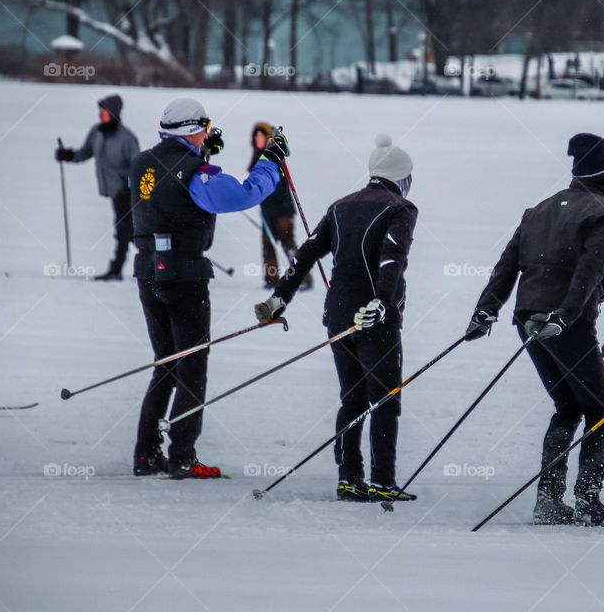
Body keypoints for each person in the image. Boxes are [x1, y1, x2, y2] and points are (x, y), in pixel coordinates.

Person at [466, 133, 604, 527]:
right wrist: (566, 315)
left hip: (527, 319)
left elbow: (507, 265)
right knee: (600, 412)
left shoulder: (539, 209)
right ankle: (587, 501)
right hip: (562, 324)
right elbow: (589, 270)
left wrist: (485, 311)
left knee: (567, 407)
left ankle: (549, 501)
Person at [254, 134, 418, 503]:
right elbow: (394, 258)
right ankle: (382, 482)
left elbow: (306, 253)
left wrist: (280, 297)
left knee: (353, 398)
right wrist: (380, 301)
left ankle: (349, 478)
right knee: (384, 399)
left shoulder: (341, 205)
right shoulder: (400, 209)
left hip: (338, 315)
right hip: (374, 317)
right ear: (404, 177)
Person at [129, 98, 285, 479]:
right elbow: (244, 194)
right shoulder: (197, 174)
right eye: (205, 127)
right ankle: (182, 456)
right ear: (192, 129)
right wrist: (271, 162)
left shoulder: (141, 162)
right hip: (184, 277)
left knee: (165, 364)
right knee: (192, 365)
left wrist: (202, 153)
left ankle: (146, 455)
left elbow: (168, 179)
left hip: (147, 272)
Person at [55, 94, 139, 280]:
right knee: (128, 231)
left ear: (115, 114)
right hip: (112, 190)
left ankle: (118, 269)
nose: (101, 115)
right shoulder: (97, 132)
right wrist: (68, 155)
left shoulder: (127, 139)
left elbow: (139, 168)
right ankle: (156, 260)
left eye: (105, 112)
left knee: (124, 230)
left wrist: (130, 188)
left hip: (127, 192)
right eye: (100, 112)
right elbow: (85, 153)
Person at [248, 122, 312, 290]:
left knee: (288, 244)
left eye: (261, 137)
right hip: (268, 210)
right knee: (269, 246)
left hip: (282, 209)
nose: (258, 140)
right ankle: (272, 280)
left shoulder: (272, 156)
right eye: (256, 137)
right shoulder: (258, 157)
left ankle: (302, 278)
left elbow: (276, 184)